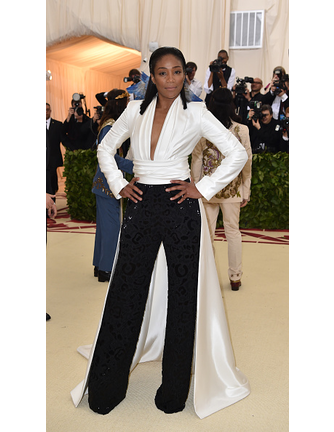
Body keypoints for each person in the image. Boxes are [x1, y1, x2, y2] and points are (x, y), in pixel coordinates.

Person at [71, 46, 250, 419]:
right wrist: (119, 182)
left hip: (180, 205)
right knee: (125, 292)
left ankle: (174, 391)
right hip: (140, 202)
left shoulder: (198, 112)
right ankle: (106, 387)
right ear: (152, 76)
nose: (171, 79)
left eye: (177, 71)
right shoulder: (134, 110)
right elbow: (105, 148)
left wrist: (201, 188)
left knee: (183, 298)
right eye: (163, 72)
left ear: (185, 75)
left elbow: (236, 153)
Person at [191, 88, 252, 291]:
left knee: (207, 234)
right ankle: (235, 277)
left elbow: (197, 160)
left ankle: (206, 277)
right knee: (233, 231)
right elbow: (247, 163)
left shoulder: (204, 128)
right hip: (232, 190)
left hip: (206, 189)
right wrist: (245, 189)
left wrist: (196, 186)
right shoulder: (241, 129)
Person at [92, 89, 134, 282]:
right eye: (126, 103)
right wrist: (133, 166)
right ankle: (106, 269)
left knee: (103, 228)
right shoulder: (110, 126)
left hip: (103, 184)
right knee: (111, 228)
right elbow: (111, 158)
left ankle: (99, 265)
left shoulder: (109, 124)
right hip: (107, 184)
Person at [46, 103, 64, 195]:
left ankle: (52, 204)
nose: (45, 112)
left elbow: (63, 140)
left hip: (53, 159)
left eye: (47, 110)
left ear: (50, 111)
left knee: (52, 185)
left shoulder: (58, 125)